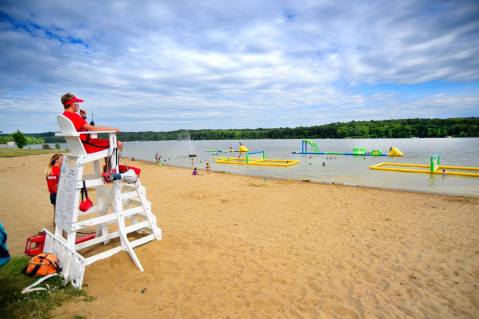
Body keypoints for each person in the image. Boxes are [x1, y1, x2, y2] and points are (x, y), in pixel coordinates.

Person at [46, 154, 63, 227]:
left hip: (52, 194)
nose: (63, 161)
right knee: (62, 215)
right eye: (62, 159)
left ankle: (56, 232)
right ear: (57, 160)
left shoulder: (48, 170)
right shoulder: (60, 170)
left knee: (56, 214)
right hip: (59, 194)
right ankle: (62, 235)